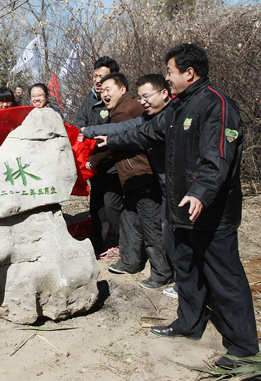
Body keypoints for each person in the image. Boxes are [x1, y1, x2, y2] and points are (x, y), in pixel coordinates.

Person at [103, 44, 258, 367]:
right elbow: (145, 133)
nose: (167, 78)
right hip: (181, 210)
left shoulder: (216, 105)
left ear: (189, 72)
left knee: (224, 277)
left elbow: (218, 158)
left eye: (170, 72)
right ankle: (189, 323)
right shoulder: (178, 107)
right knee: (187, 271)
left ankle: (244, 348)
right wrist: (111, 140)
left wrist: (201, 192)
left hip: (212, 212)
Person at [87, 74, 177, 295]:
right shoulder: (129, 111)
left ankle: (162, 272)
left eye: (108, 89)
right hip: (132, 176)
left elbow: (125, 135)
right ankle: (130, 261)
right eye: (101, 90)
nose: (104, 94)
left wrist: (91, 161)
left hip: (143, 174)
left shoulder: (127, 110)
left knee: (150, 224)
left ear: (122, 89)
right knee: (129, 219)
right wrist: (88, 131)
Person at [72, 56, 123, 257]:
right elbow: (79, 123)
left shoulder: (116, 102)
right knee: (97, 207)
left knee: (112, 206)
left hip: (111, 164)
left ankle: (123, 245)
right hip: (93, 164)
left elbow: (113, 136)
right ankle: (98, 245)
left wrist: (94, 157)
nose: (97, 80)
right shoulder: (90, 99)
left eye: (102, 76)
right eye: (95, 76)